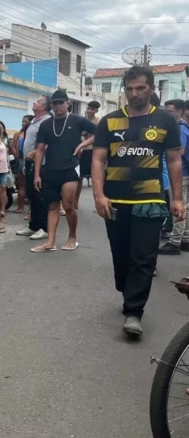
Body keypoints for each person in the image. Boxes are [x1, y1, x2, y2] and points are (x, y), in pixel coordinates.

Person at [92, 65, 184, 337]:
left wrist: (178, 199)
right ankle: (126, 289)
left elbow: (174, 160)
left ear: (152, 89)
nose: (135, 94)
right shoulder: (108, 121)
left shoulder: (165, 121)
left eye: (141, 88)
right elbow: (98, 160)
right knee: (121, 257)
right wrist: (99, 195)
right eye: (130, 89)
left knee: (143, 257)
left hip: (150, 200)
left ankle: (134, 312)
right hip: (115, 202)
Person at [31, 90, 96, 253]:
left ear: (67, 104)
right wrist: (37, 174)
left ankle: (72, 237)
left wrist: (82, 145)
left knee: (67, 205)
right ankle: (50, 241)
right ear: (51, 106)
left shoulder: (77, 120)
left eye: (61, 103)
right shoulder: (46, 124)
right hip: (50, 169)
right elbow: (39, 150)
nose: (58, 106)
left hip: (70, 168)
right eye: (55, 103)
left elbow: (100, 132)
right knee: (52, 206)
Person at [17, 97, 52, 240]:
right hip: (30, 163)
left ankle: (44, 228)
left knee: (40, 197)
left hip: (41, 163)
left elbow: (50, 143)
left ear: (43, 107)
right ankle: (34, 226)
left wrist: (34, 153)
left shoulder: (47, 121)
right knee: (32, 195)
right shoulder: (34, 121)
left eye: (37, 101)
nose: (33, 103)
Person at [158, 99, 189, 255]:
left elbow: (180, 151)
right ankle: (184, 240)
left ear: (179, 112)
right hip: (184, 172)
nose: (165, 113)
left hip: (180, 174)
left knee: (178, 207)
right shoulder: (183, 127)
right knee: (185, 208)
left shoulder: (179, 129)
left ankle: (174, 242)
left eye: (169, 111)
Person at [76, 101, 100, 208]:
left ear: (96, 111)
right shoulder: (81, 121)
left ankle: (98, 203)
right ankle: (75, 202)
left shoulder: (98, 122)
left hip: (93, 151)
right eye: (88, 108)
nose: (89, 111)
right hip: (81, 152)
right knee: (79, 178)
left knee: (96, 178)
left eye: (92, 109)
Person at [11, 114, 33, 215]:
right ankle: (21, 207)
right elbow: (13, 147)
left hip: (29, 160)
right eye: (22, 121)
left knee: (29, 186)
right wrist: (17, 156)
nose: (24, 123)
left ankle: (29, 209)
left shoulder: (30, 134)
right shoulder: (19, 134)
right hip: (22, 161)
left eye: (26, 121)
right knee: (22, 186)